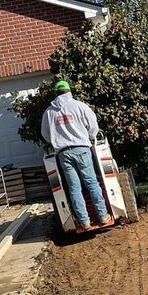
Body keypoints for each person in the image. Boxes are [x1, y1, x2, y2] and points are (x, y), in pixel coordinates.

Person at [41, 80, 114, 233]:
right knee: (92, 183)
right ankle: (103, 217)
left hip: (63, 153)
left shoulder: (49, 113)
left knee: (74, 188)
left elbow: (46, 135)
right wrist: (90, 137)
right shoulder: (79, 106)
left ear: (56, 93)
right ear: (69, 91)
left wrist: (57, 141)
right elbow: (93, 125)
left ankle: (84, 222)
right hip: (82, 149)